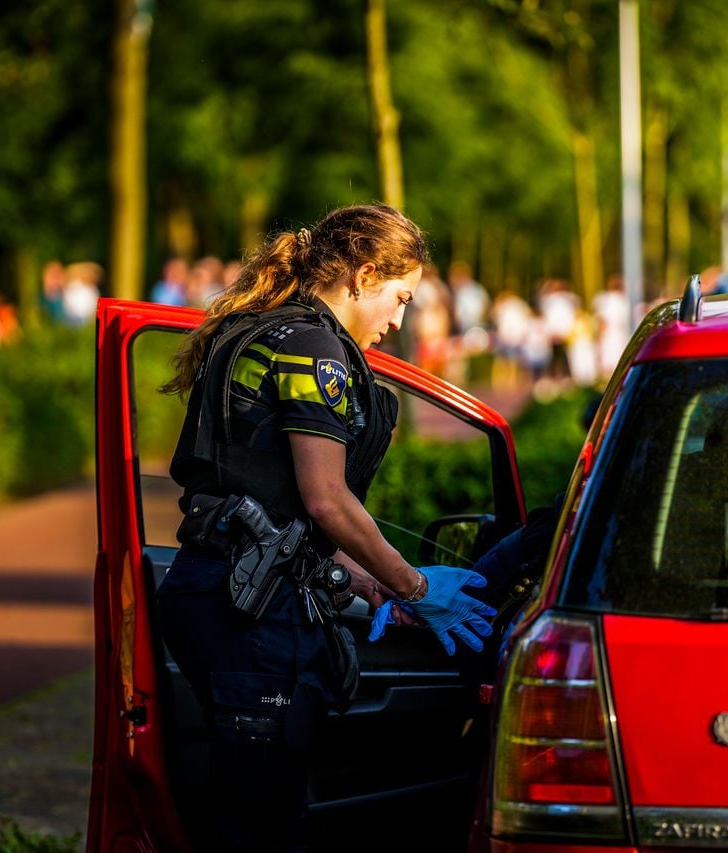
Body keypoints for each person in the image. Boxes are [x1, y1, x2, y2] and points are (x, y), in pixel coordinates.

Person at [155, 204, 496, 852]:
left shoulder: (267, 329)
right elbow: (326, 502)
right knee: (260, 827)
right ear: (365, 275)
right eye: (399, 298)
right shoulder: (313, 348)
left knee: (264, 810)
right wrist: (415, 585)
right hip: (247, 614)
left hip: (228, 594)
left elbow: (280, 502)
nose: (398, 320)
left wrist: (373, 588)